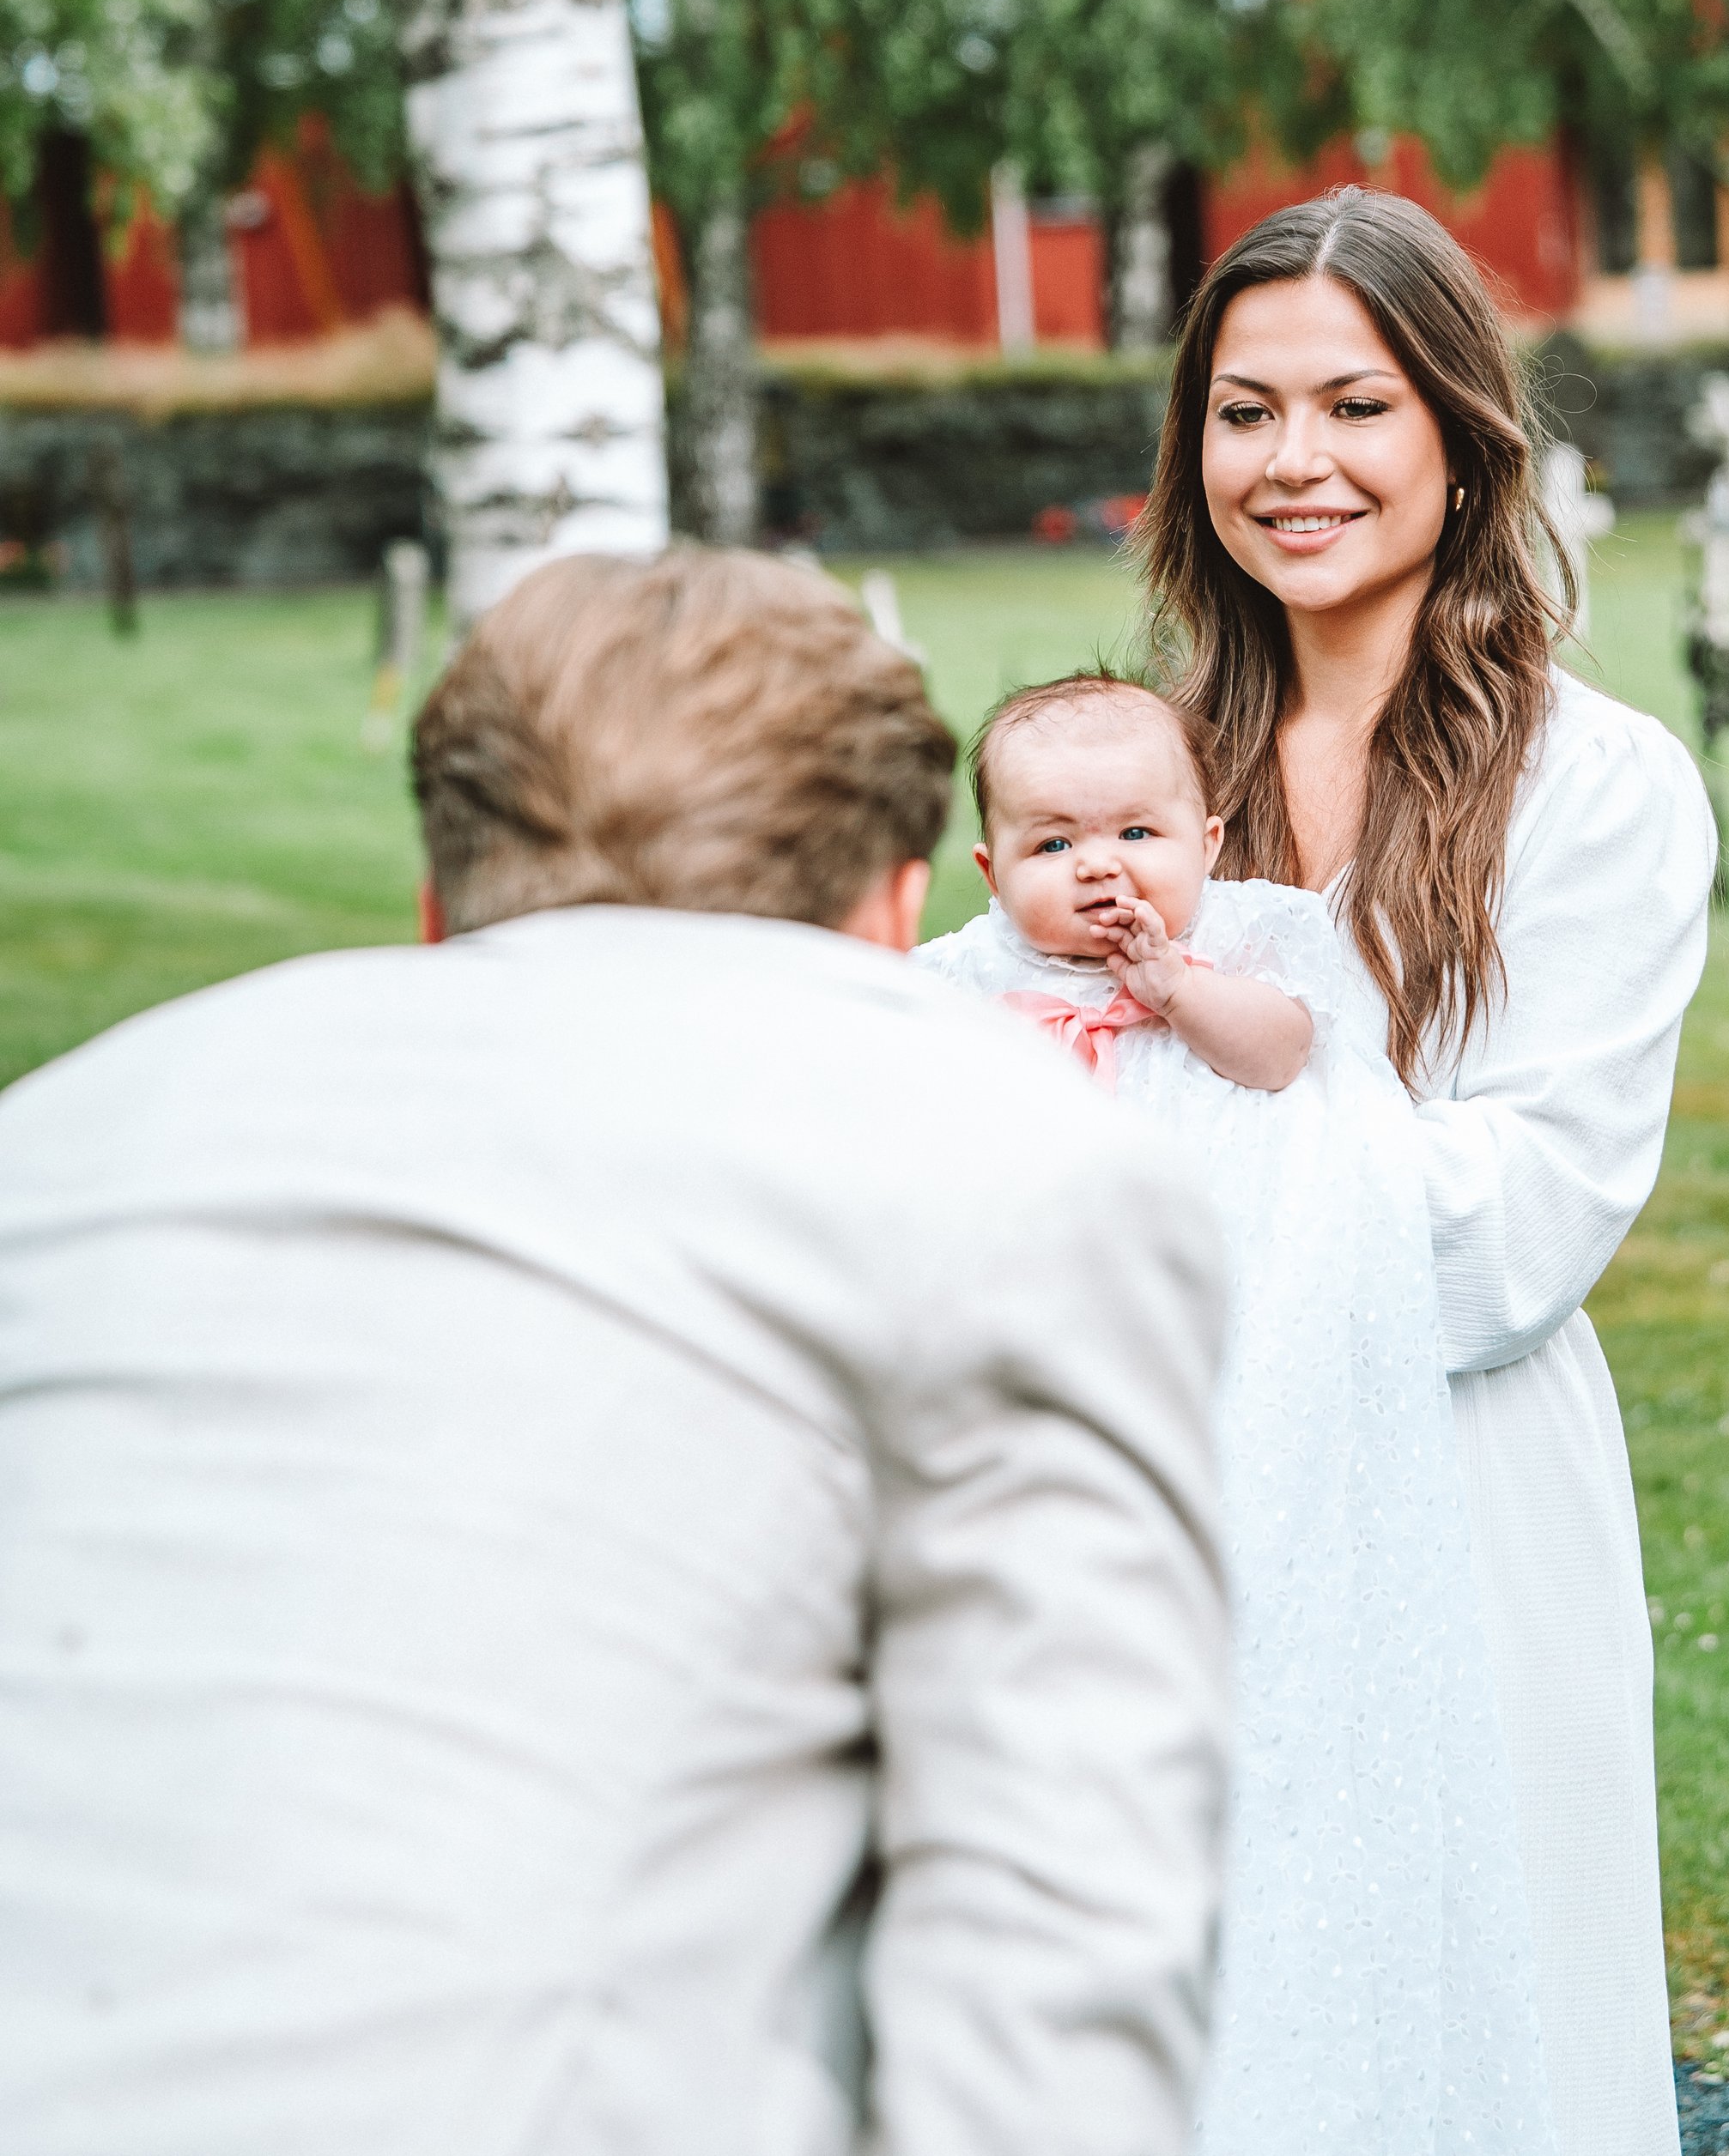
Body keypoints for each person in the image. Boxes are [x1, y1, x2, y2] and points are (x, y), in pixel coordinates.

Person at [0, 548, 1233, 2156]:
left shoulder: (67, 1135)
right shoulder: (1009, 1155)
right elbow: (1060, 1922)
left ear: (442, 903)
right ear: (897, 905)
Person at [1137, 188, 1716, 2156]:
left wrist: (1152, 1199)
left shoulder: (1595, 785)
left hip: (1456, 1488)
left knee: (1478, 2032)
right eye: (1240, 412)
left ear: (1461, 440)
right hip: (1168, 1483)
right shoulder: (1134, 782)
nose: (1289, 463)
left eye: (1351, 405)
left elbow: (1518, 1216)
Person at [919, 672, 1556, 2156]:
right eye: (1055, 843)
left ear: (1209, 836)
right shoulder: (961, 983)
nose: (1104, 870)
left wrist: (1168, 987)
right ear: (990, 870)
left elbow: (1285, 1059)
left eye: (1140, 832)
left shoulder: (1246, 948)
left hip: (1229, 1354)